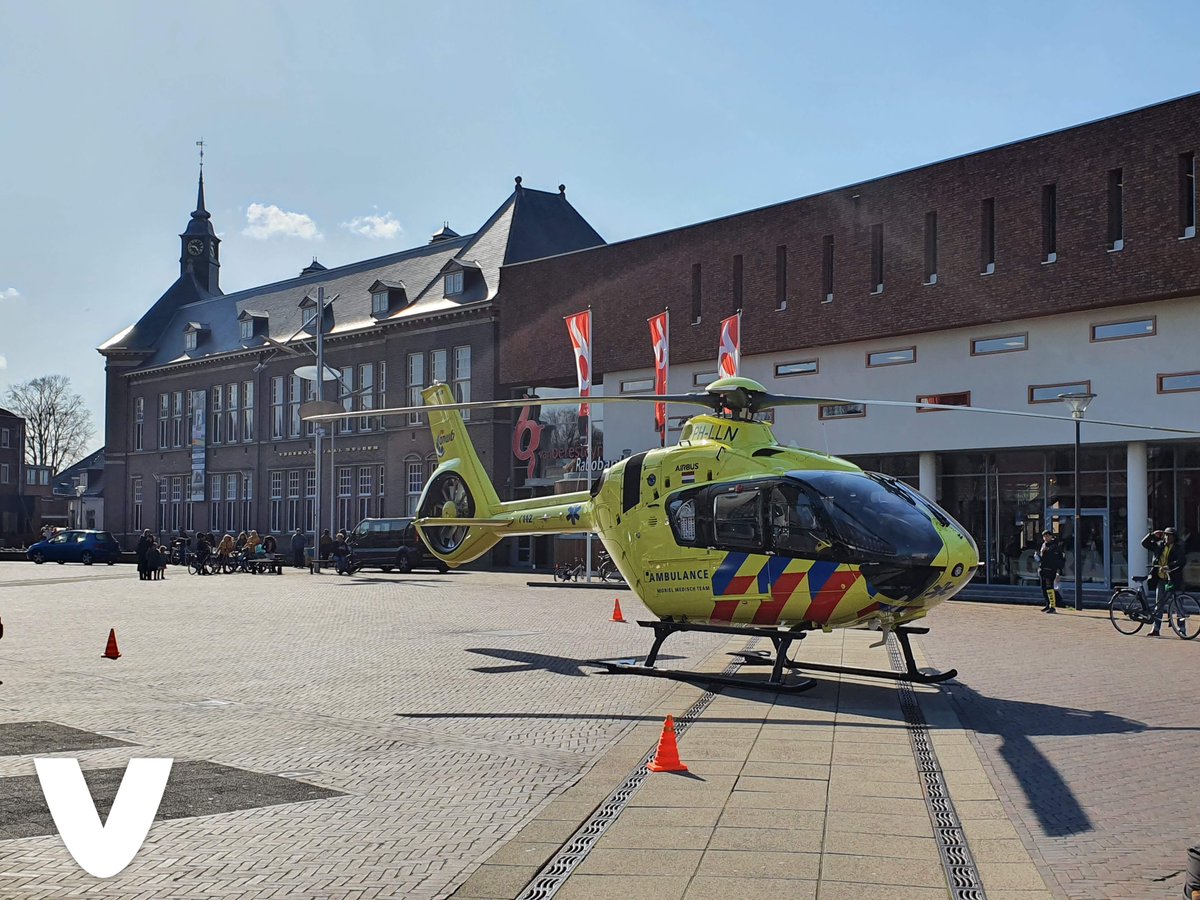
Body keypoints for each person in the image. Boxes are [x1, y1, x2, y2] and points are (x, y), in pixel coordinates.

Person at [1141, 526, 1185, 637]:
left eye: (1169, 535)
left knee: (1177, 604)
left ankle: (1182, 629)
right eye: (1166, 535)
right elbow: (1144, 543)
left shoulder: (1178, 548)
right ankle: (1156, 629)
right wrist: (1152, 535)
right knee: (1159, 605)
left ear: (1174, 537)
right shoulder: (1159, 546)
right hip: (1161, 580)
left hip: (1173, 580)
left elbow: (1181, 561)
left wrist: (1169, 566)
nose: (1167, 537)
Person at [1033, 530, 1065, 613]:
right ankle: (1047, 604)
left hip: (1050, 570)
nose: (1046, 538)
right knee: (1043, 588)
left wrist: (1058, 572)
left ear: (1051, 536)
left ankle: (1053, 607)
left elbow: (1058, 559)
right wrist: (1038, 556)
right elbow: (1042, 558)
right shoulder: (1043, 545)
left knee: (1049, 588)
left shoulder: (1055, 546)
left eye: (1047, 536)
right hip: (1042, 569)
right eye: (1044, 536)